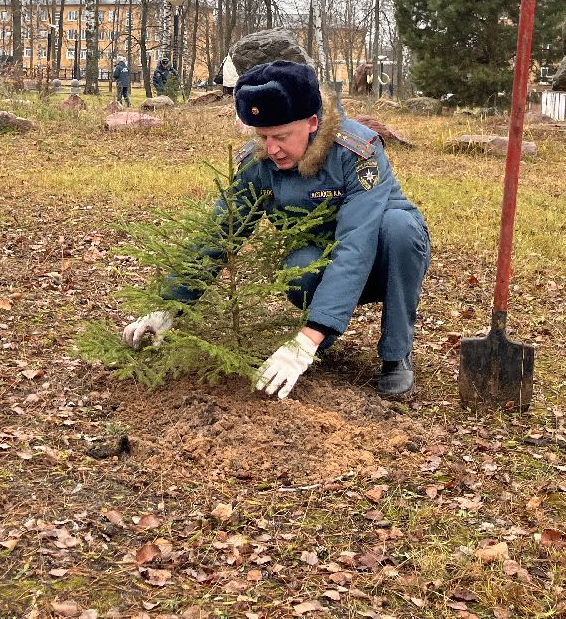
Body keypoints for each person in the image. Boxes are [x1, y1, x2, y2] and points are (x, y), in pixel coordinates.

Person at [121, 60, 430, 400]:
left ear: (312, 122)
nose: (271, 149)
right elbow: (219, 233)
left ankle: (395, 353)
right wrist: (168, 305)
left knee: (399, 228)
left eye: (281, 136)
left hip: (386, 253)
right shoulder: (258, 163)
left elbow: (356, 243)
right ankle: (322, 336)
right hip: (322, 254)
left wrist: (305, 340)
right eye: (263, 136)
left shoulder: (356, 151)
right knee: (299, 271)